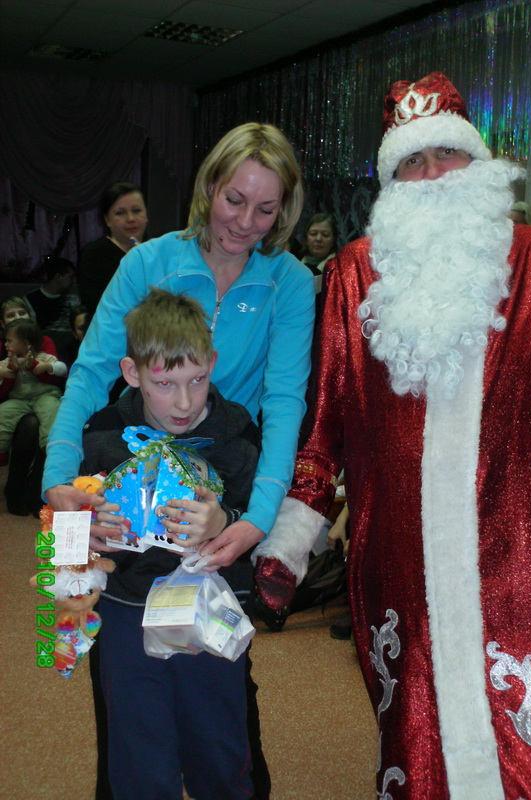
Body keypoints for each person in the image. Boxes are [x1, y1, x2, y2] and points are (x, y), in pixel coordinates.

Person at [253, 73, 531, 799]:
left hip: (525, 556)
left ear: (479, 162)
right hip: (400, 559)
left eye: (447, 153)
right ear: (391, 183)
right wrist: (294, 535)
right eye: (412, 161)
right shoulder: (353, 275)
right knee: (421, 738)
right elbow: (327, 419)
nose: (433, 173)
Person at [43, 122, 315, 799]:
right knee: (132, 724)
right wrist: (58, 490)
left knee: (222, 710)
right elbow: (89, 375)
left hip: (223, 502)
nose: (245, 223)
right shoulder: (148, 263)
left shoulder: (288, 282)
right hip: (129, 538)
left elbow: (284, 402)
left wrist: (252, 521)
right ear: (208, 188)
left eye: (265, 208)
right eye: (234, 200)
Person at [81, 289, 259, 799]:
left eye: (196, 380)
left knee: (218, 747)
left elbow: (262, 517)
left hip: (212, 612)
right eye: (165, 384)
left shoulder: (238, 435)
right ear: (132, 372)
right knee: (139, 753)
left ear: (212, 364)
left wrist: (224, 519)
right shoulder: (103, 434)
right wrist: (89, 531)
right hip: (127, 614)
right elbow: (68, 521)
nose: (184, 402)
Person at [78, 183, 148, 319]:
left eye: (136, 210)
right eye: (120, 213)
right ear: (107, 220)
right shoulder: (94, 255)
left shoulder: (156, 252)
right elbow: (99, 306)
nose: (131, 219)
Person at [0, 318, 66, 455]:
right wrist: (4, 373)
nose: (5, 344)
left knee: (52, 412)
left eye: (9, 341)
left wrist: (47, 366)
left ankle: (51, 447)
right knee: (3, 411)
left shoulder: (44, 357)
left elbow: (63, 369)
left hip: (45, 396)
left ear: (25, 343)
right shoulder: (7, 362)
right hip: (18, 400)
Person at [300, 212, 338, 292]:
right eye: (313, 234)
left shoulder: (339, 270)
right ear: (306, 239)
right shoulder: (294, 265)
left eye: (325, 235)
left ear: (333, 240)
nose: (318, 239)